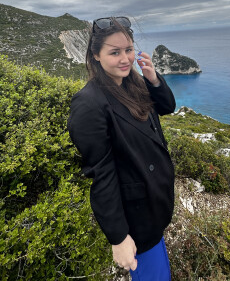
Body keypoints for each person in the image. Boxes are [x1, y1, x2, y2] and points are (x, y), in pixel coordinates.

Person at [67, 16, 175, 280]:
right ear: (96, 56)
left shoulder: (133, 82)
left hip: (154, 202)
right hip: (135, 215)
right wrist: (118, 237)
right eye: (115, 52)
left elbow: (167, 107)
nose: (125, 58)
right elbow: (101, 173)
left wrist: (153, 78)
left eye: (128, 50)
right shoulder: (88, 104)